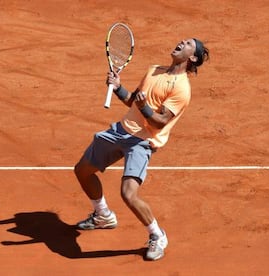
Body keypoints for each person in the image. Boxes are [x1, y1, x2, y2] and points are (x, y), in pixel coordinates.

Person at [74, 38, 209, 261]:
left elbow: (159, 122)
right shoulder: (154, 70)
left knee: (128, 193)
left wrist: (144, 106)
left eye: (187, 44)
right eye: (182, 41)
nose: (180, 42)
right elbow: (133, 101)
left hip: (142, 141)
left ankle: (157, 235)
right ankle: (103, 215)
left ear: (192, 58)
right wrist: (118, 88)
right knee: (82, 170)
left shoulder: (182, 89)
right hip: (121, 130)